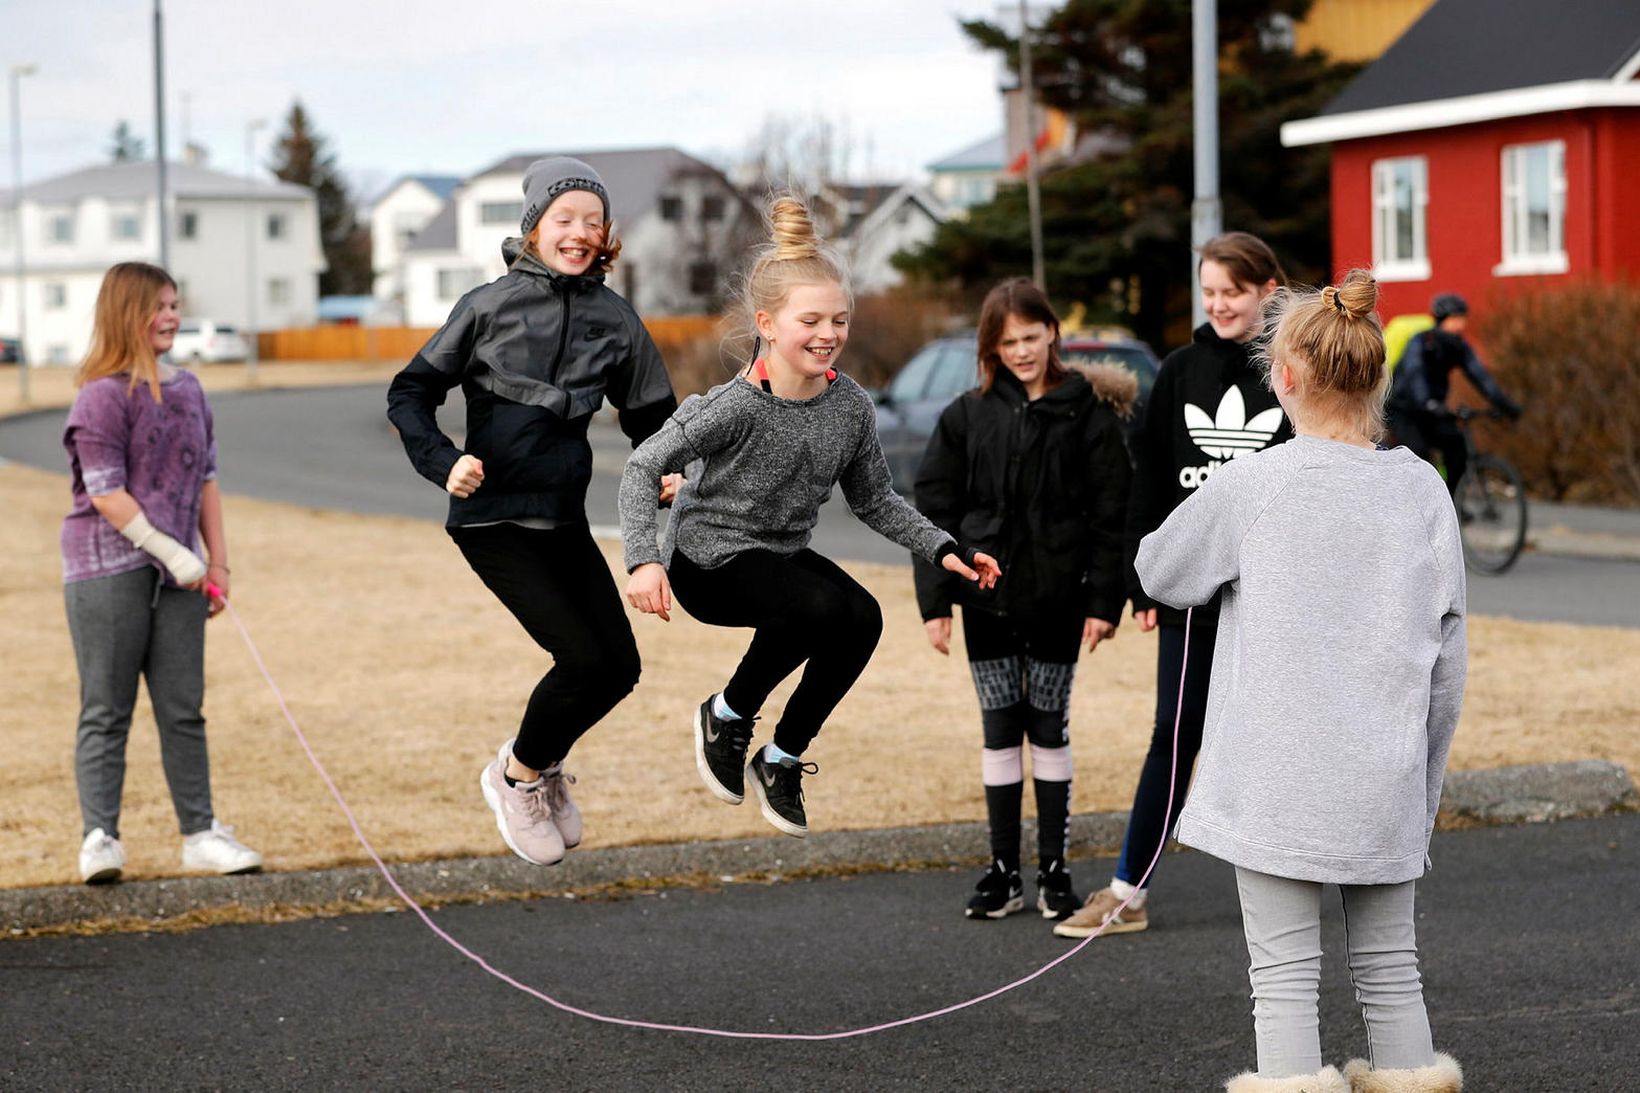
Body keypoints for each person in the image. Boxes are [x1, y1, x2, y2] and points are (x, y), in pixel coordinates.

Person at [1137, 270, 1466, 1091]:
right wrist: (1422, 785)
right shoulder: (1423, 489)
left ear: (1282, 376)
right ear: (1376, 377)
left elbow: (1159, 570)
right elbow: (1447, 661)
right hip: (1383, 775)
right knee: (1392, 969)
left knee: (1282, 977)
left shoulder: (1255, 483)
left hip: (1276, 776)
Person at [619, 196, 1000, 839]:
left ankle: (783, 756)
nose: (829, 334)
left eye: (840, 320)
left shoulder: (849, 404)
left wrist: (942, 547)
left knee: (862, 618)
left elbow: (874, 498)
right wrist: (644, 559)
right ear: (768, 324)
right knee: (817, 610)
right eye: (812, 320)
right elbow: (640, 468)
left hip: (779, 556)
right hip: (708, 563)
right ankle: (728, 714)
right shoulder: (731, 407)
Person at [386, 157, 678, 867]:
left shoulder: (616, 320)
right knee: (579, 657)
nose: (579, 232)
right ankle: (516, 775)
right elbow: (408, 393)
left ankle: (541, 766)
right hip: (491, 519)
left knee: (618, 666)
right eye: (564, 218)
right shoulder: (487, 306)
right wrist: (442, 459)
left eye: (592, 221)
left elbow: (656, 419)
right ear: (534, 228)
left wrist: (670, 468)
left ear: (606, 234)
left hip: (563, 519)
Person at [1055, 232, 1292, 940]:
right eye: (1210, 291)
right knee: (1175, 734)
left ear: (1269, 291)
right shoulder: (1181, 372)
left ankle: (1302, 882)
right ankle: (1128, 891)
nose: (1219, 304)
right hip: (1194, 596)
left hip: (1277, 597)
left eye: (1234, 292)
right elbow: (1149, 485)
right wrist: (1143, 583)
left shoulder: (1294, 369)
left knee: (1279, 736)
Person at [911, 277, 1132, 922]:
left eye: (1032, 337)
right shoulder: (966, 414)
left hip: (1062, 604)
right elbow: (933, 510)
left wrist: (1103, 603)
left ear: (1053, 333)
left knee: (1049, 729)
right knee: (1001, 730)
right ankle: (1004, 872)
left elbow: (1110, 514)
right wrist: (935, 603)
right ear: (992, 346)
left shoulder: (1086, 411)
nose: (1022, 351)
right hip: (986, 605)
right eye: (1008, 342)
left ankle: (1055, 871)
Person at [61, 261, 263, 885]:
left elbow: (205, 477)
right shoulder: (100, 396)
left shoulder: (191, 390)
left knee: (183, 709)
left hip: (182, 574)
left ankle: (200, 835)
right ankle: (100, 840)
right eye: (160, 307)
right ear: (129, 313)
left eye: (175, 305)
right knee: (107, 708)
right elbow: (105, 493)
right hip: (107, 569)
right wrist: (173, 553)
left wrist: (217, 561)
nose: (172, 317)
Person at [1386, 293, 1521, 496]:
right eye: (1455, 319)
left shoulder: (1458, 347)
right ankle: (1415, 506)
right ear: (1443, 320)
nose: (1461, 325)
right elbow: (1415, 373)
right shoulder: (1422, 342)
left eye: (1462, 318)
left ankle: (1451, 500)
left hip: (1433, 410)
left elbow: (1481, 377)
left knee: (1458, 446)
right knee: (1417, 456)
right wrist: (1428, 402)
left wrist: (1504, 405)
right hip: (1406, 410)